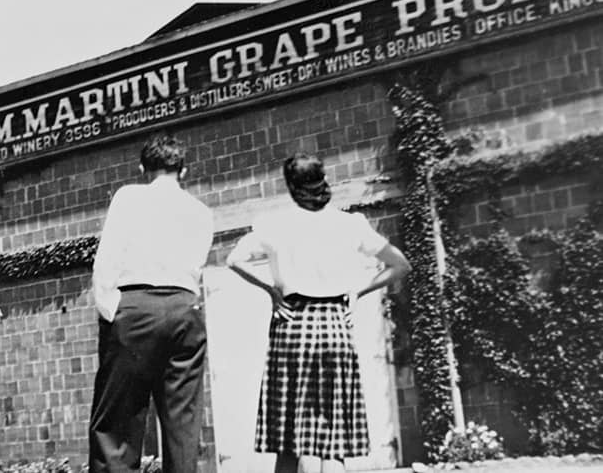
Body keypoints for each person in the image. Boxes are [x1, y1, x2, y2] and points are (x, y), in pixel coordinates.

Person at [226, 154, 411, 473]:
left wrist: (271, 290)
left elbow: (234, 260)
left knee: (291, 437)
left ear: (290, 185)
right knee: (332, 439)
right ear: (323, 179)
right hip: (335, 325)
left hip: (293, 325)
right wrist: (358, 291)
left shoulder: (274, 224)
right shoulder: (349, 223)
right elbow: (400, 264)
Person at [89, 135, 214, 473]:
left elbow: (106, 261)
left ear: (142, 168)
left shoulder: (129, 197)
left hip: (134, 309)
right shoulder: (201, 212)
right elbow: (197, 265)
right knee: (182, 424)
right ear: (183, 171)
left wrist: (110, 311)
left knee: (116, 426)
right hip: (184, 309)